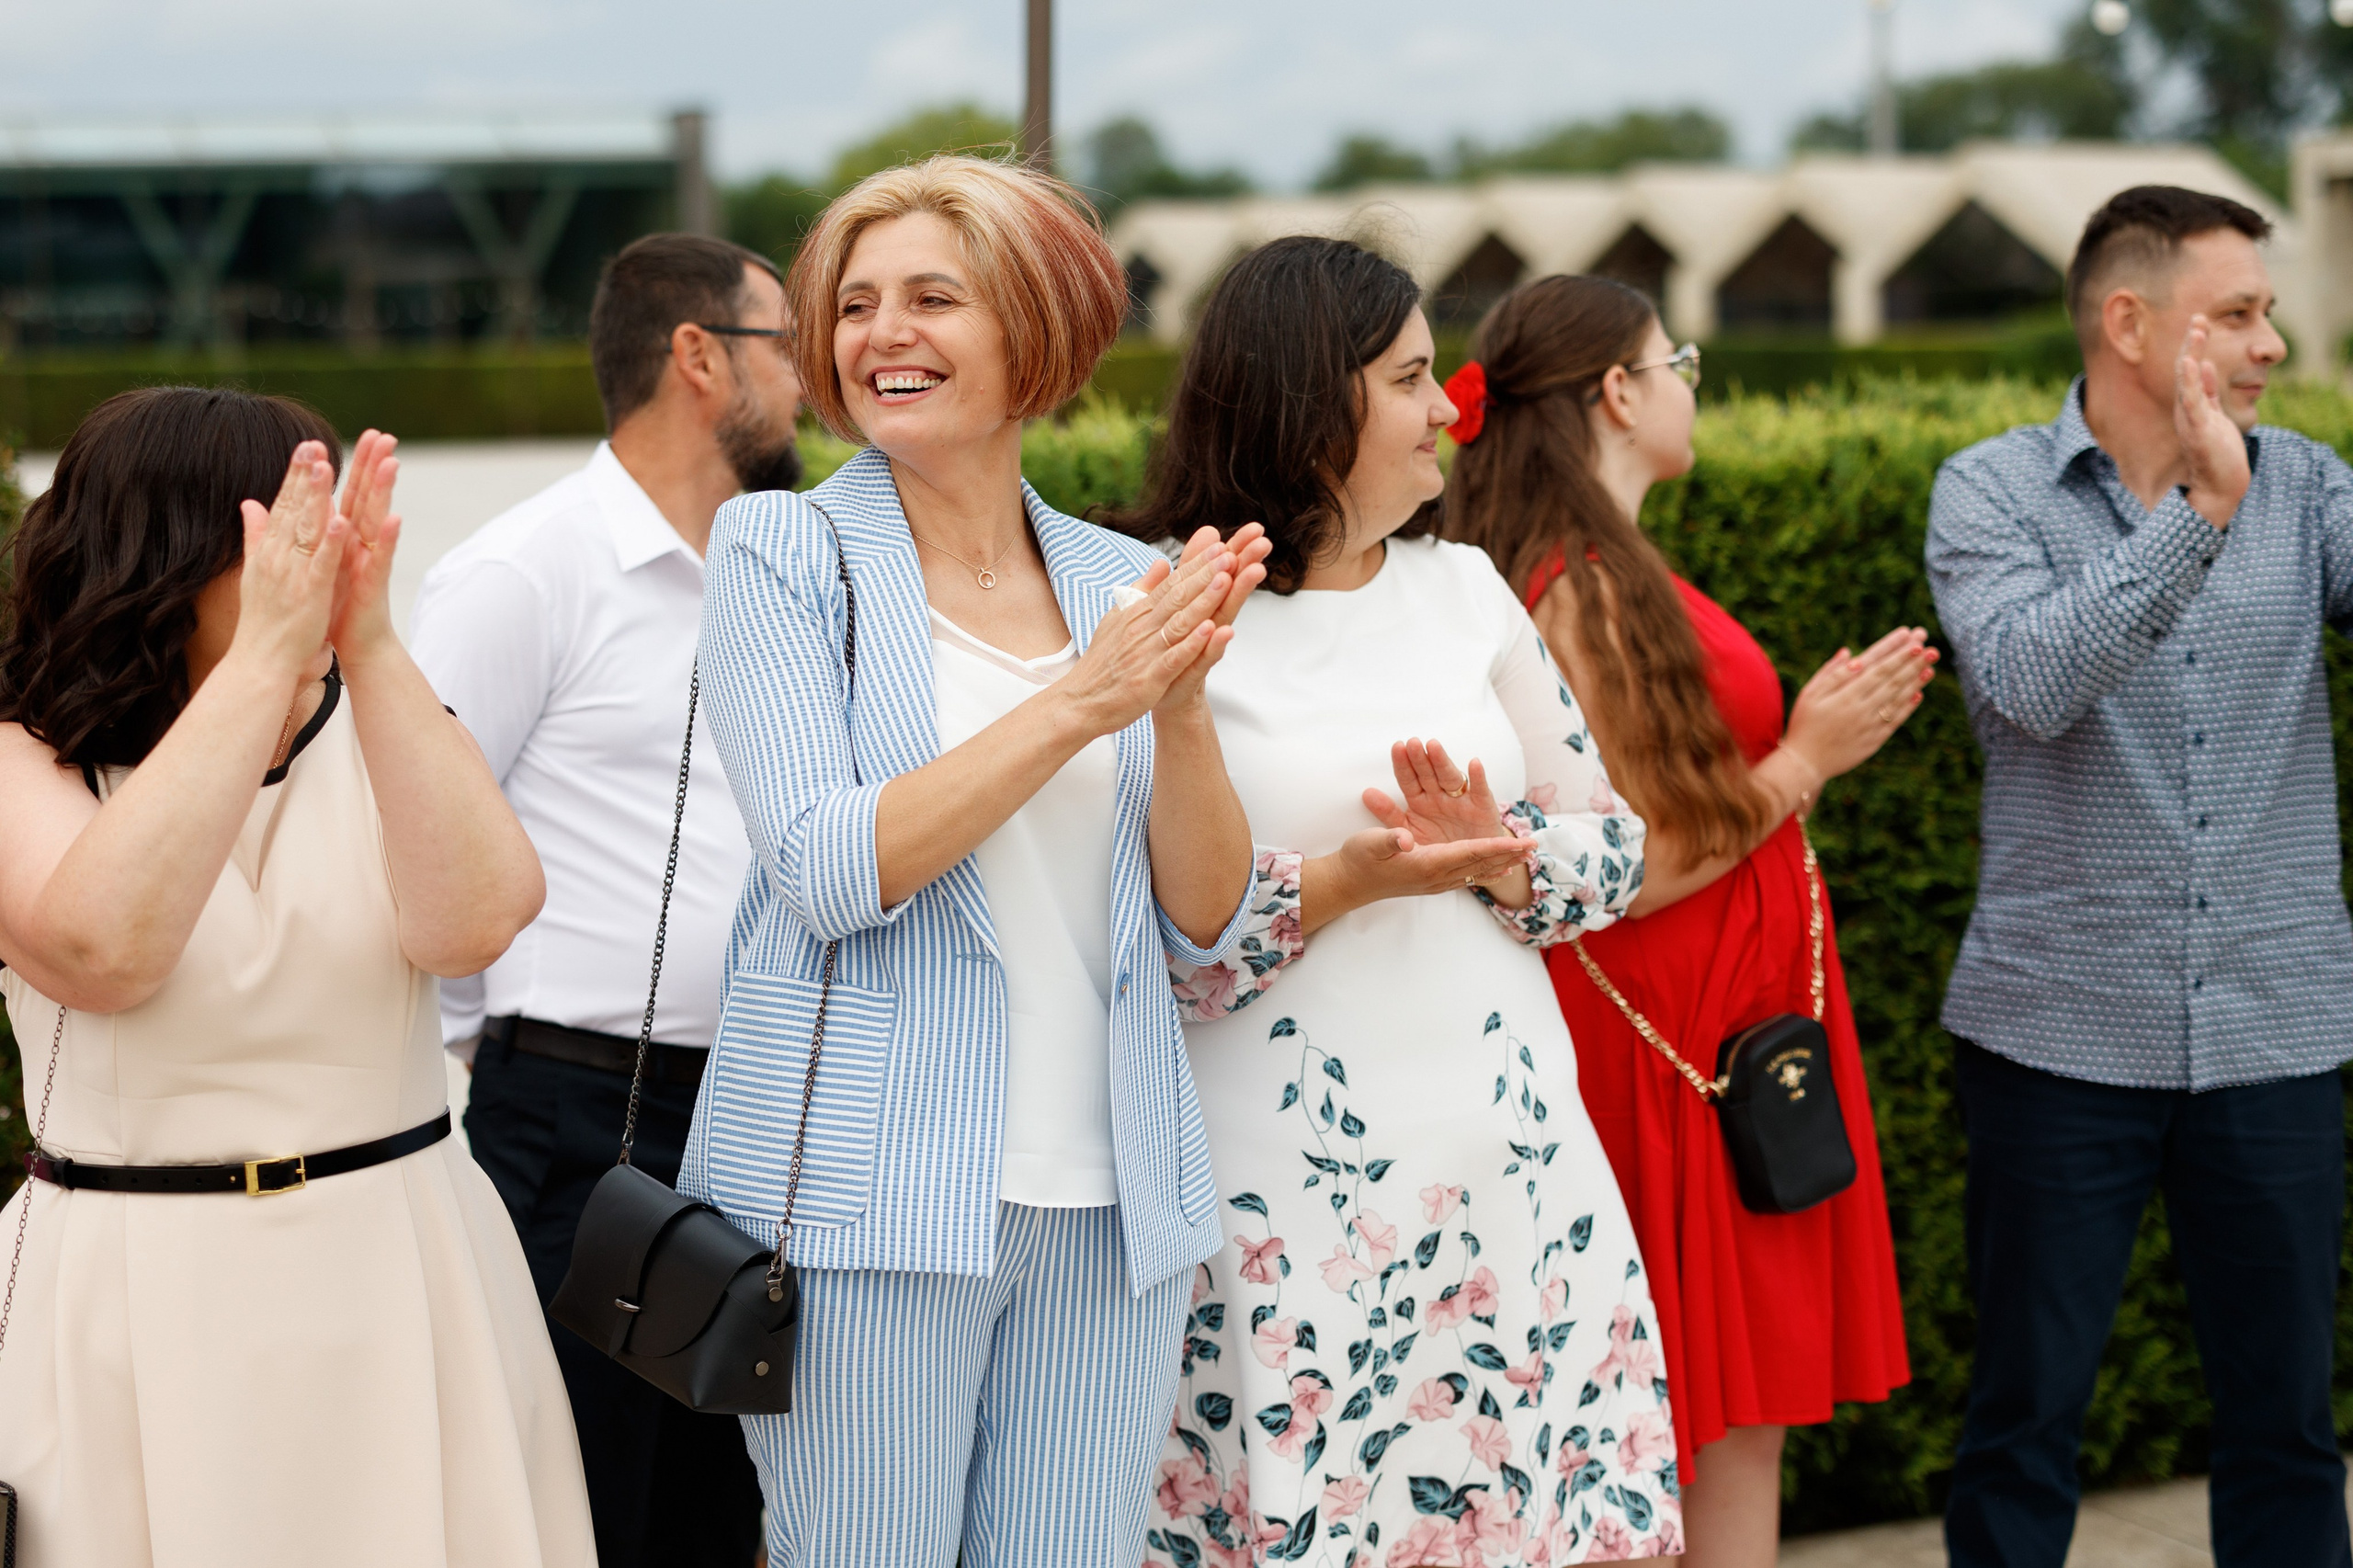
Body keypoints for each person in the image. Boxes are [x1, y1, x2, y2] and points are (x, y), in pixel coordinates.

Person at [685, 153, 1273, 1566]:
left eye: (934, 298)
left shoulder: (1111, 579)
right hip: (871, 1205)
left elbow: (1207, 916)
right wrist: (1081, 701)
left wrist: (1175, 705)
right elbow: (828, 867)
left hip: (1114, 1205)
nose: (883, 333)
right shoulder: (781, 549)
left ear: (1034, 329)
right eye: (856, 303)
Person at [1126, 235, 1684, 1566]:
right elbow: (1167, 947)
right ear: (1312, 399)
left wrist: (1495, 855)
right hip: (1287, 1187)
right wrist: (1348, 881)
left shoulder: (1466, 588)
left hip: (1511, 1163)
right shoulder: (1155, 603)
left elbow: (1615, 852)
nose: (1449, 409)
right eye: (1412, 377)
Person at [0, 387, 590, 1567]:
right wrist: (261, 662)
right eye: (291, 533)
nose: (322, 561)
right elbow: (100, 949)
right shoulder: (26, 753)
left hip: (400, 1260)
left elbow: (479, 920)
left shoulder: (389, 717)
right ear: (169, 549)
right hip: (136, 1284)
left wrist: (365, 643)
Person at [1441, 274, 1928, 1565]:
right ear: (1616, 390)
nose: (1686, 385)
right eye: (1679, 361)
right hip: (1670, 1049)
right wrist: (1810, 754)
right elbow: (1630, 864)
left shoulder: (1601, 564)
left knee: (1723, 1418)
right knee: (1699, 1426)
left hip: (1709, 1035)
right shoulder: (1579, 585)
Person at [1926, 185, 2353, 1568]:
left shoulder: (2311, 487)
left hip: (2277, 1028)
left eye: (2265, 314)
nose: (2269, 345)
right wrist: (2196, 521)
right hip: (2055, 1036)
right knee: (2025, 1419)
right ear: (2131, 322)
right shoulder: (1990, 490)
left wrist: (2237, 499)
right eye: (2236, 314)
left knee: (2287, 1424)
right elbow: (2034, 682)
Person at [409, 231, 797, 1568]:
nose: (814, 382)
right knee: (579, 1513)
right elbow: (413, 837)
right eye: (789, 344)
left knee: (728, 1523)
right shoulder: (524, 573)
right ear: (701, 357)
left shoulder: (782, 570)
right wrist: (512, 1045)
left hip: (765, 1117)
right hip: (585, 1128)